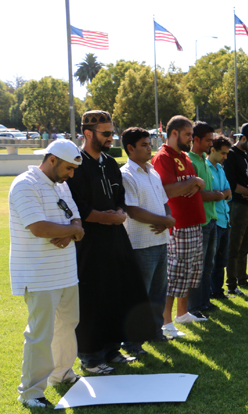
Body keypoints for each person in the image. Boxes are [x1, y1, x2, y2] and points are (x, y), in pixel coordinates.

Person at [67, 110, 158, 374]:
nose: (111, 138)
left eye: (112, 133)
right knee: (93, 297)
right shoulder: (76, 163)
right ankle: (90, 356)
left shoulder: (109, 163)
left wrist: (118, 213)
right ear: (87, 133)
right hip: (89, 241)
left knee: (116, 292)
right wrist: (103, 218)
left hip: (116, 237)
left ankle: (111, 349)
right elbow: (76, 205)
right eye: (106, 134)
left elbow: (119, 196)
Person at [11, 140, 84, 408]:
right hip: (38, 273)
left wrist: (72, 230)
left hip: (66, 272)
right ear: (52, 159)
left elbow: (76, 218)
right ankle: (30, 392)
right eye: (68, 168)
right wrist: (72, 231)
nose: (71, 174)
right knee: (40, 334)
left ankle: (62, 374)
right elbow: (39, 228)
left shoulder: (62, 185)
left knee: (68, 325)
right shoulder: (24, 184)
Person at [120, 127, 177, 354]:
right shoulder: (126, 175)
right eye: (143, 145)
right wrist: (165, 220)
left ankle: (155, 332)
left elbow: (164, 200)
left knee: (158, 292)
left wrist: (167, 219)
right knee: (138, 295)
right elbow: (132, 210)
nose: (149, 148)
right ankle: (131, 342)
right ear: (130, 148)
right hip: (140, 243)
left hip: (160, 239)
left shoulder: (152, 171)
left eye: (149, 143)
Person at [152, 115, 208, 338]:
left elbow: (193, 184)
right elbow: (167, 189)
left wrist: (192, 183)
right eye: (187, 134)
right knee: (175, 273)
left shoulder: (184, 156)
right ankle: (166, 321)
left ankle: (182, 313)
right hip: (179, 224)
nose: (190, 138)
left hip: (194, 221)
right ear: (174, 133)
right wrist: (192, 182)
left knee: (190, 271)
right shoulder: (163, 157)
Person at [187, 121, 224, 316]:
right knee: (197, 268)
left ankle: (204, 302)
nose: (211, 144)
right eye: (208, 140)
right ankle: (193, 307)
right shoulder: (190, 161)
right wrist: (217, 195)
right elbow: (194, 194)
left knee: (208, 265)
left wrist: (214, 194)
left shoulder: (204, 159)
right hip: (199, 222)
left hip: (212, 218)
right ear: (196, 139)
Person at [225, 123, 248, 296]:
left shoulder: (247, 155)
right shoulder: (231, 155)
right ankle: (231, 285)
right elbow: (232, 185)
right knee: (234, 246)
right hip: (237, 206)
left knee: (246, 245)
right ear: (243, 138)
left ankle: (242, 278)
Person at [207, 135, 233, 299]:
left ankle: (218, 291)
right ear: (212, 150)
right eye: (223, 153)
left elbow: (227, 193)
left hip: (225, 219)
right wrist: (220, 194)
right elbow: (214, 195)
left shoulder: (220, 169)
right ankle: (208, 293)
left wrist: (221, 194)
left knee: (222, 260)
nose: (225, 157)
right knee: (212, 261)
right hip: (214, 220)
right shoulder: (205, 168)